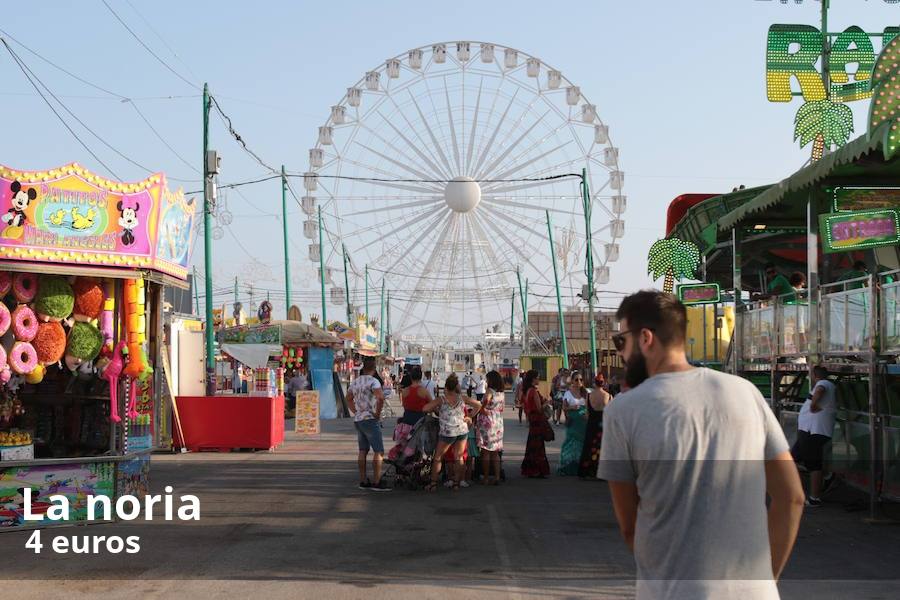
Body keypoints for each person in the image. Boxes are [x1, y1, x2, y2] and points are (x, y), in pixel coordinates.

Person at [598, 290, 805, 599]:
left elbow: (631, 528)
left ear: (645, 338)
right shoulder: (745, 393)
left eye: (621, 342)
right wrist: (765, 580)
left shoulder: (623, 411)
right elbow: (792, 497)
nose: (623, 355)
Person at [422, 373, 481, 492]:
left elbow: (425, 408)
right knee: (459, 457)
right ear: (456, 387)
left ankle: (433, 484)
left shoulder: (442, 399)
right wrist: (469, 416)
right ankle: (456, 483)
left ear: (446, 387)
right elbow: (478, 405)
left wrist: (437, 410)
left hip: (447, 432)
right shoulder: (462, 398)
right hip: (462, 430)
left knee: (438, 457)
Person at [791, 365, 837, 507]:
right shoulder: (827, 384)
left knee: (813, 464)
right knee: (793, 458)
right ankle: (826, 476)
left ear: (814, 375)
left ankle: (814, 498)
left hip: (815, 431)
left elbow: (820, 390)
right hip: (809, 430)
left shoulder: (824, 383)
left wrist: (813, 405)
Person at [346, 357, 390, 492]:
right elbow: (381, 398)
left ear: (363, 368)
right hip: (370, 419)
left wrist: (356, 411)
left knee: (362, 450)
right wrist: (377, 413)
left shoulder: (355, 382)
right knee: (379, 451)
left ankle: (363, 480)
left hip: (359, 419)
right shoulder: (374, 381)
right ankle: (377, 481)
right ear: (374, 368)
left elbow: (348, 398)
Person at [579, 373, 611, 479]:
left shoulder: (589, 396)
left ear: (594, 383)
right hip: (603, 425)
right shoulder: (608, 396)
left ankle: (587, 470)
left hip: (592, 424)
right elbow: (611, 413)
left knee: (589, 446)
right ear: (603, 383)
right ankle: (601, 471)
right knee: (602, 447)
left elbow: (587, 413)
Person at [520, 369, 551, 478]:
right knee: (538, 446)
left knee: (532, 445)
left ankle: (531, 469)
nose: (539, 379)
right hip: (537, 420)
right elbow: (539, 408)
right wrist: (546, 402)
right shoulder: (533, 391)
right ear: (533, 379)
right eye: (537, 377)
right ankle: (537, 469)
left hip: (532, 420)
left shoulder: (527, 391)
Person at [477, 370, 505, 485]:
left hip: (488, 422)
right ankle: (497, 476)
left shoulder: (489, 391)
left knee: (486, 451)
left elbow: (486, 401)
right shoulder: (501, 393)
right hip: (498, 421)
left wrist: (482, 407)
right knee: (495, 452)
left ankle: (486, 477)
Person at [558, 372, 589, 475]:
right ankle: (568, 466)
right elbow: (564, 407)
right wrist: (572, 407)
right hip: (573, 421)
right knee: (570, 444)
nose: (579, 382)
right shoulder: (568, 393)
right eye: (576, 380)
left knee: (582, 444)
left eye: (581, 380)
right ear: (572, 381)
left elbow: (590, 407)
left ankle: (582, 466)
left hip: (583, 422)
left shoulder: (586, 392)